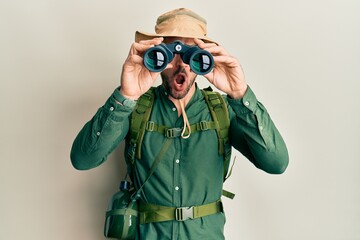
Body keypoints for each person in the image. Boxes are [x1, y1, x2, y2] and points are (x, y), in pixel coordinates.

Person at [70, 8, 289, 239]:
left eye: (191, 53)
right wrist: (125, 96)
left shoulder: (223, 110)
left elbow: (277, 163)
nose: (181, 64)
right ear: (156, 54)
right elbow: (82, 160)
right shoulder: (137, 109)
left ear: (206, 57)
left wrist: (240, 94)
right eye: (171, 51)